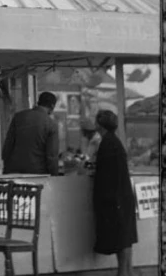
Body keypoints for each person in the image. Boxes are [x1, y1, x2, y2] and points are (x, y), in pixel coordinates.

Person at [90, 110, 138, 275]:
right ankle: (127, 272)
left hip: (116, 197)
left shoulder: (107, 143)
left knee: (121, 238)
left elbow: (108, 174)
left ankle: (123, 273)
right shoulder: (113, 142)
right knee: (125, 237)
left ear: (99, 124)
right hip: (122, 196)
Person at [1, 91, 59, 175]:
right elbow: (52, 156)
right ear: (52, 106)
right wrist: (54, 176)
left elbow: (8, 146)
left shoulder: (18, 117)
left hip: (13, 171)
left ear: (38, 102)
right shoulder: (51, 124)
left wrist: (5, 168)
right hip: (37, 173)